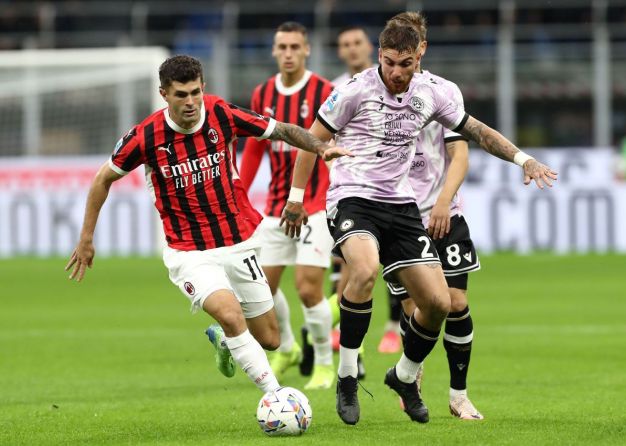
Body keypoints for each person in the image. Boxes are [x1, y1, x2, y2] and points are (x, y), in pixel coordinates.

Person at [281, 23, 557, 425]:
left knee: (440, 303)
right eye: (389, 62)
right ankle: (346, 377)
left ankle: (405, 376)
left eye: (405, 64)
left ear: (419, 56)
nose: (396, 72)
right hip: (353, 197)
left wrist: (523, 159)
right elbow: (312, 138)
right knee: (364, 268)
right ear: (379, 54)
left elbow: (477, 131)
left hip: (402, 206)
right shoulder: (354, 90)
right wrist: (295, 197)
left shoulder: (433, 93)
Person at [64, 55, 350, 396]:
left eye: (195, 92)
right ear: (164, 94)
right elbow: (102, 179)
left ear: (204, 88)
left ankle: (226, 343)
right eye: (181, 94)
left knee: (270, 339)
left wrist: (319, 146)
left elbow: (282, 130)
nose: (190, 102)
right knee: (230, 315)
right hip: (189, 251)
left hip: (237, 240)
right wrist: (86, 238)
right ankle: (277, 397)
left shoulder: (221, 114)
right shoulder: (145, 136)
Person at [385, 11, 482, 420]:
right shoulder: (373, 91)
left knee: (456, 303)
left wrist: (444, 201)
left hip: (444, 213)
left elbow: (460, 151)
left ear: (422, 47)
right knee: (418, 311)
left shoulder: (444, 91)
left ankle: (458, 395)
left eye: (414, 46)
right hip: (396, 216)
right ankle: (411, 375)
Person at [238, 22, 336, 390]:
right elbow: (254, 150)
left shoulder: (325, 91)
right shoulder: (262, 93)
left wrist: (327, 202)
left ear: (307, 50)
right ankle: (290, 349)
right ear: (275, 51)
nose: (289, 52)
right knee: (261, 286)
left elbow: (330, 152)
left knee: (308, 288)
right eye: (283, 46)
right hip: (276, 207)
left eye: (296, 46)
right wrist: (239, 196)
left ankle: (325, 364)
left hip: (314, 206)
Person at [331, 25, 402, 356]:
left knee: (390, 265)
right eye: (345, 44)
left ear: (370, 47)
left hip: (390, 191)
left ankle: (392, 328)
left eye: (357, 42)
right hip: (348, 190)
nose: (351, 49)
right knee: (351, 265)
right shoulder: (336, 89)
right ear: (340, 51)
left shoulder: (400, 84)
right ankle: (345, 336)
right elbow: (322, 137)